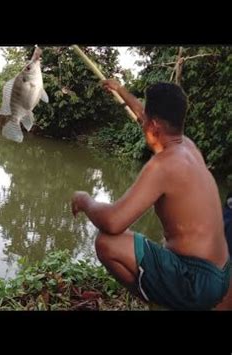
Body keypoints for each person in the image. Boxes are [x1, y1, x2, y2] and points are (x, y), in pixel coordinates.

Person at [71, 80, 230, 310]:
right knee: (165, 243)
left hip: (195, 282)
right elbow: (145, 116)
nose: (140, 120)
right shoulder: (189, 147)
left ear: (154, 126)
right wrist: (121, 91)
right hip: (222, 274)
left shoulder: (163, 166)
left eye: (145, 119)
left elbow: (114, 221)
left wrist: (85, 200)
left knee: (107, 242)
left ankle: (163, 303)